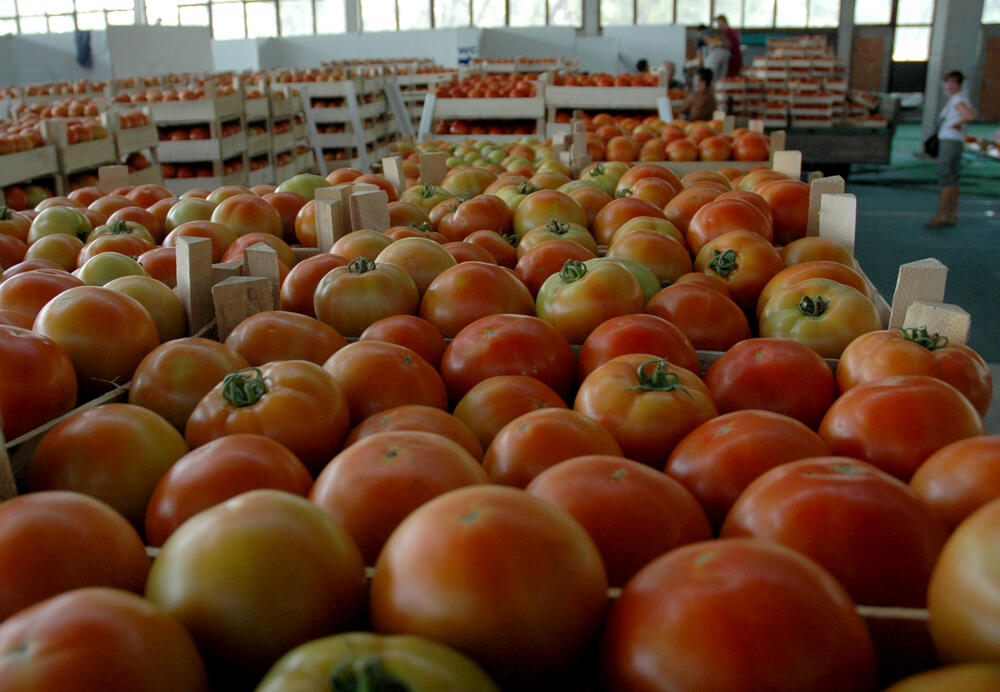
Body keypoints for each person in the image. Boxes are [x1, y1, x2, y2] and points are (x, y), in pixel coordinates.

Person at [925, 70, 977, 228]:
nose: (949, 85)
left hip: (950, 142)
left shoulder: (957, 101)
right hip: (954, 142)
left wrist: (956, 124)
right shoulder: (958, 99)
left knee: (946, 180)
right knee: (953, 179)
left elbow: (970, 116)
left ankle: (941, 214)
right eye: (948, 82)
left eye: (954, 82)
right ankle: (952, 213)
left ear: (960, 85)